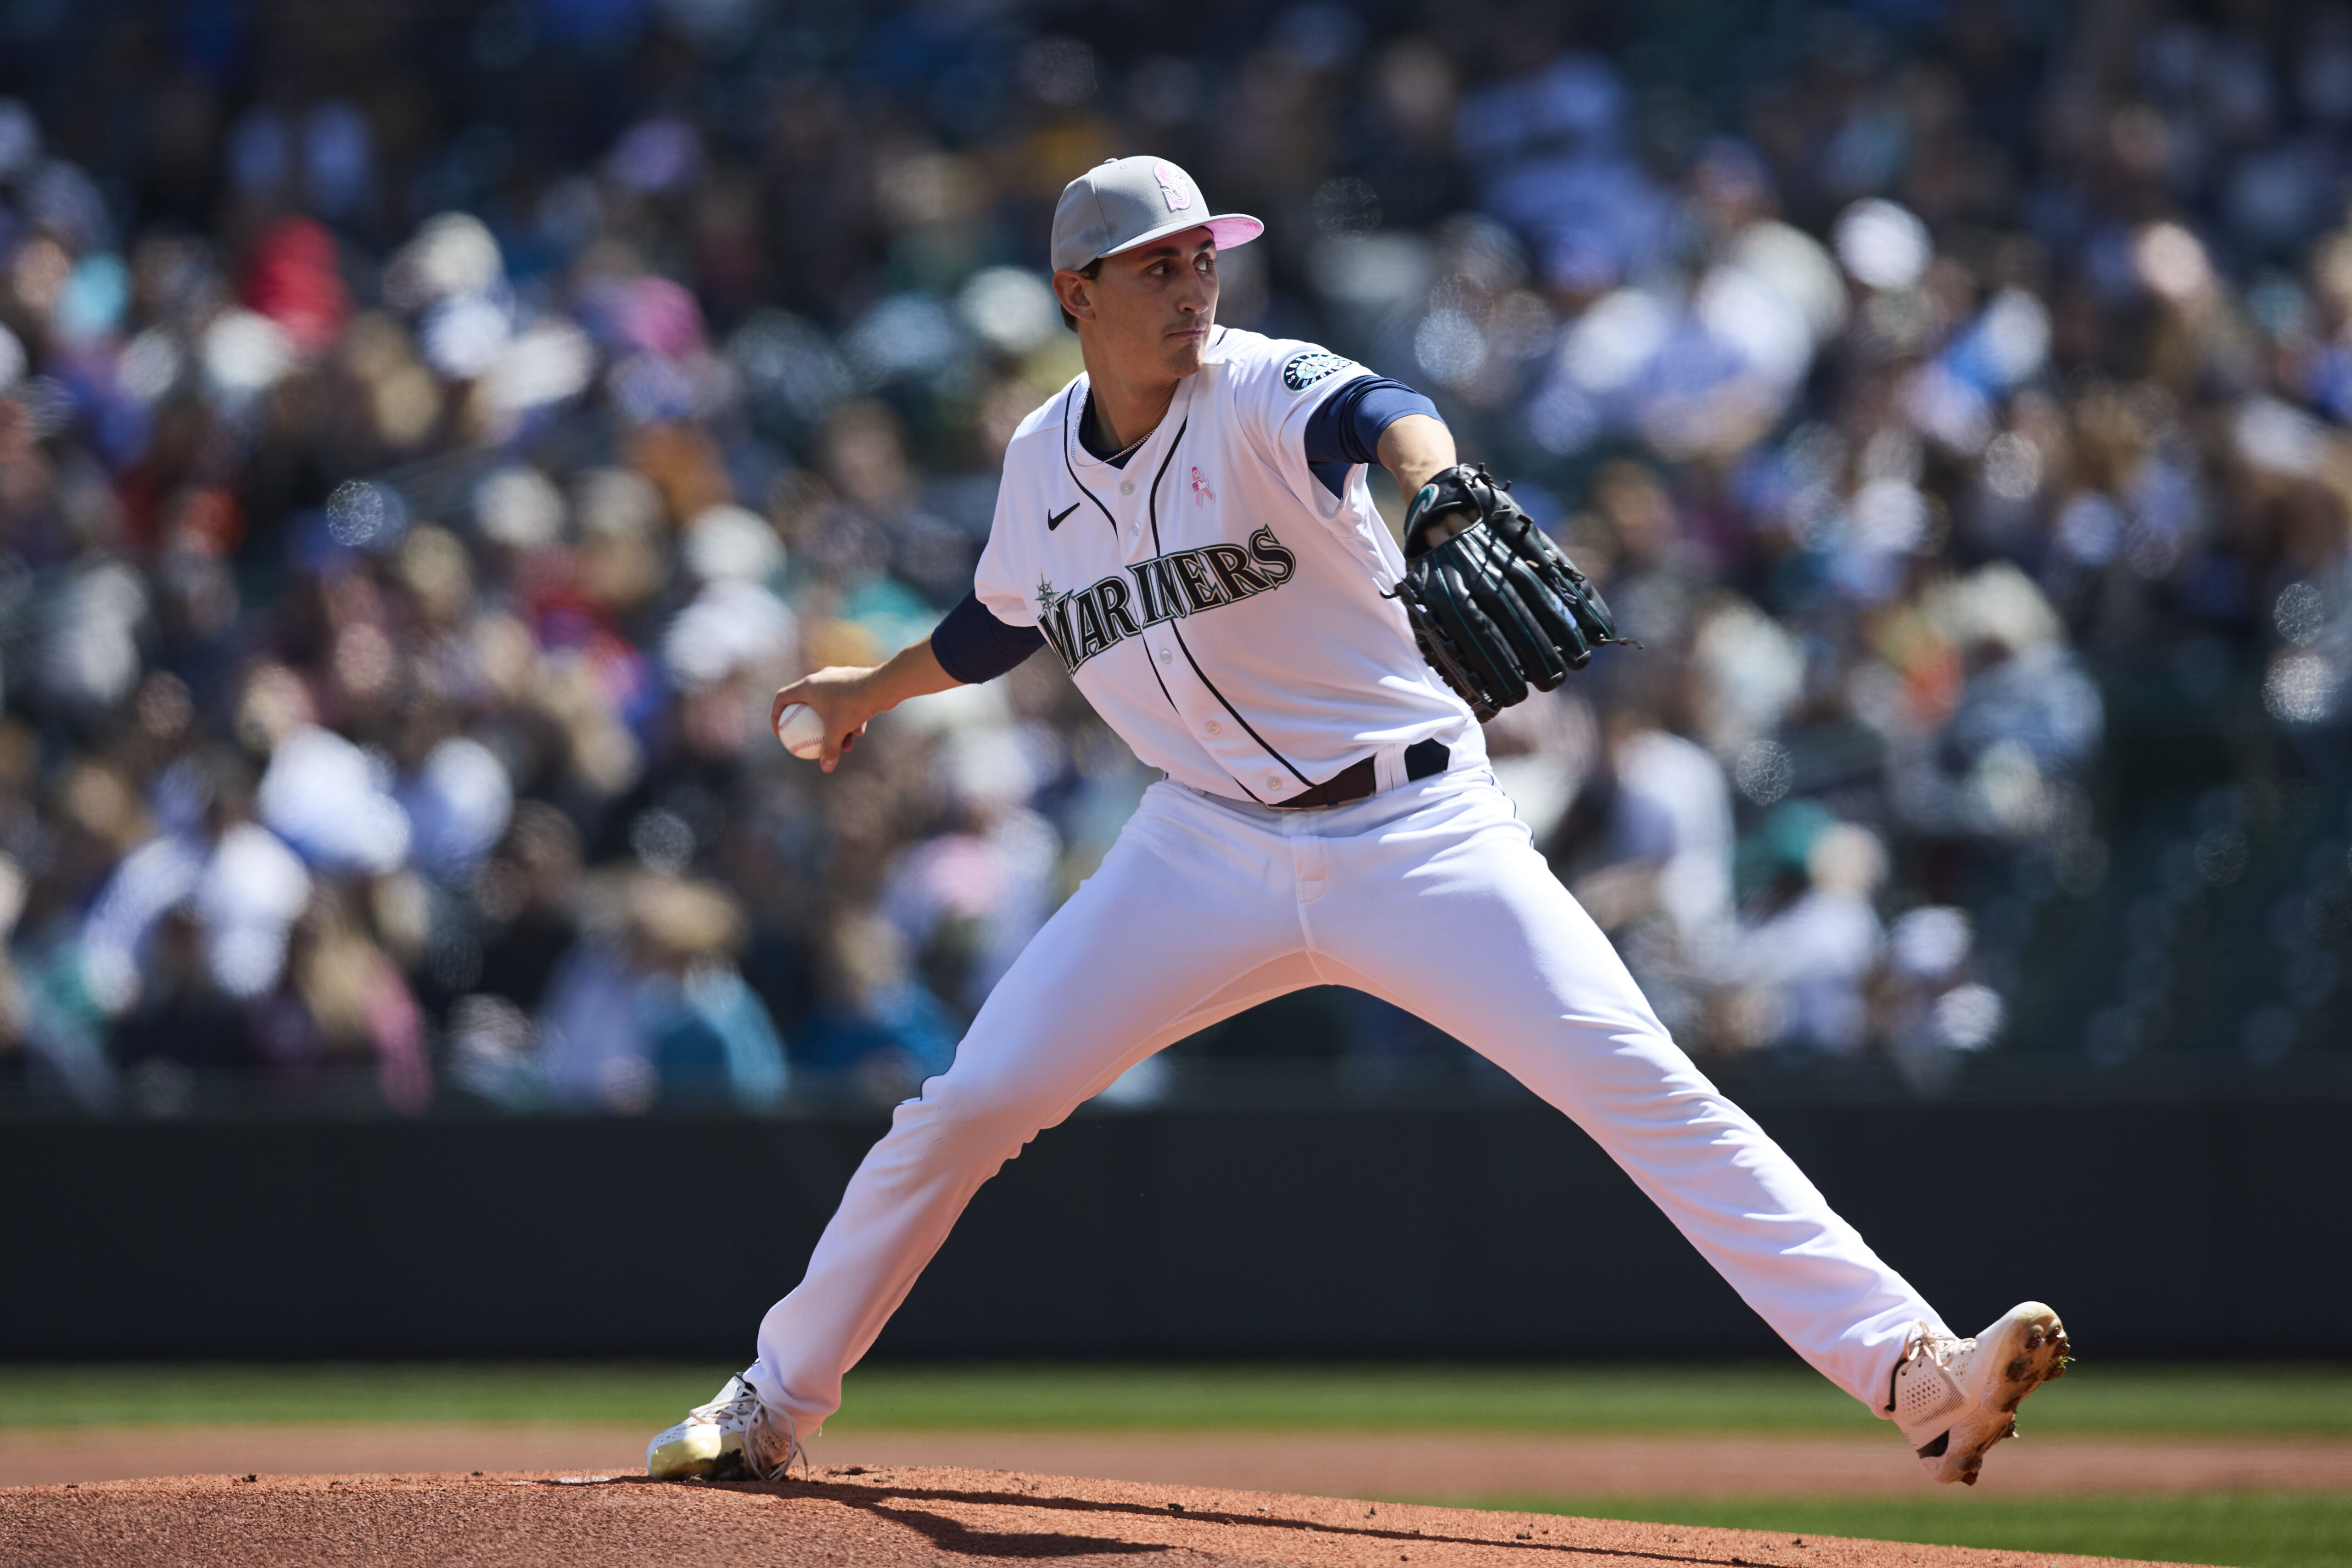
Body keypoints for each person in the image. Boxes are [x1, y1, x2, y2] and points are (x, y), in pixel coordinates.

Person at [644, 156, 2067, 1490]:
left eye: (1203, 257)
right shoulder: (1038, 461)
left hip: (1417, 832)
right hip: (1197, 849)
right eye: (1155, 267)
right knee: (967, 1108)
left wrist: (1432, 479)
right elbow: (994, 621)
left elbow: (1375, 410)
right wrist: (863, 694)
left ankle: (1913, 1375)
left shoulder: (1258, 386)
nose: (1193, 286)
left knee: (1639, 1082)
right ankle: (773, 1404)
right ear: (1076, 292)